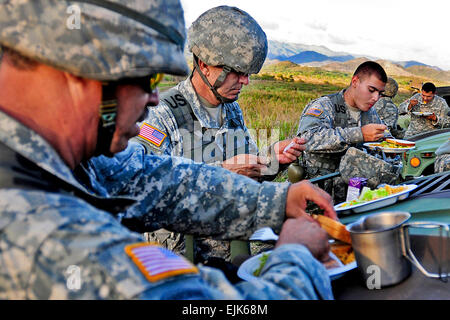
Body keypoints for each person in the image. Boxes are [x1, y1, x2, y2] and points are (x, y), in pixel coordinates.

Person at [0, 0, 336, 299]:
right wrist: (297, 258)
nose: (153, 98)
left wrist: (275, 202)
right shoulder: (36, 230)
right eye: (147, 80)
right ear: (83, 74)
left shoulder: (68, 155)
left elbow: (156, 177)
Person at [133, 6, 304, 263]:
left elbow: (247, 172)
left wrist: (272, 159)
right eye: (238, 72)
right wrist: (222, 171)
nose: (245, 82)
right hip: (186, 263)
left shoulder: (231, 109)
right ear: (205, 65)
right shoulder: (162, 113)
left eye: (248, 74)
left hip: (235, 251)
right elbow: (141, 186)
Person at [296, 61, 390, 202]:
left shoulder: (371, 114)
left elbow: (384, 140)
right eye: (371, 90)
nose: (376, 98)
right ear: (355, 82)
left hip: (353, 197)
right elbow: (305, 139)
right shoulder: (325, 106)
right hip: (319, 197)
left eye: (380, 93)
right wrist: (359, 134)